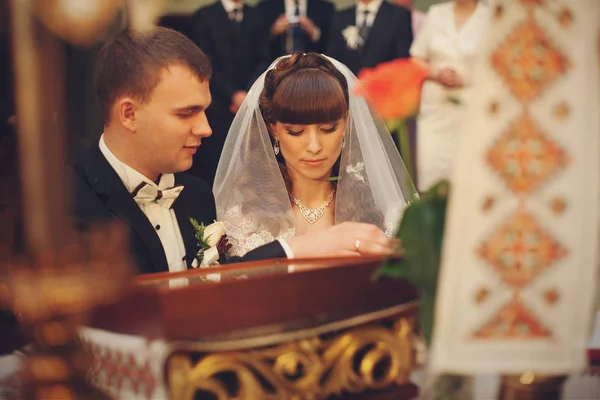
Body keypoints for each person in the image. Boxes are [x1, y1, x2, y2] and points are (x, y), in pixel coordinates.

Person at [72, 28, 398, 275]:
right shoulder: (62, 205)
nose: (206, 129)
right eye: (186, 113)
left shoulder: (197, 197)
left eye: (328, 128)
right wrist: (297, 249)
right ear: (129, 114)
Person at [214, 52, 417, 257]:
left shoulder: (382, 211)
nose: (314, 146)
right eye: (296, 132)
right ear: (273, 129)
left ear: (346, 122)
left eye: (328, 129)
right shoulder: (244, 219)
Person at [410, 0, 489, 191]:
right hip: (436, 108)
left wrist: (467, 78)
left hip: (472, 103)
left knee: (469, 174)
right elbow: (416, 58)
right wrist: (436, 73)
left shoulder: (490, 14)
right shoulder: (437, 13)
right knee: (432, 170)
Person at [189, 0, 271, 186]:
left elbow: (264, 57)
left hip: (250, 101)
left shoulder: (257, 15)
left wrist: (249, 93)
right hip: (215, 102)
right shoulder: (205, 15)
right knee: (214, 160)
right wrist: (232, 94)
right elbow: (203, 60)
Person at [326, 0, 413, 76]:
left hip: (384, 87)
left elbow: (403, 60)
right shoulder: (340, 17)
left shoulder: (399, 15)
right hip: (348, 88)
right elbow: (333, 57)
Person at [258, 0, 334, 61]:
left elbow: (332, 45)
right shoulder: (265, 7)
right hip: (277, 64)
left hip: (313, 67)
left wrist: (314, 32)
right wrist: (273, 31)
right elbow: (257, 44)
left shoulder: (325, 8)